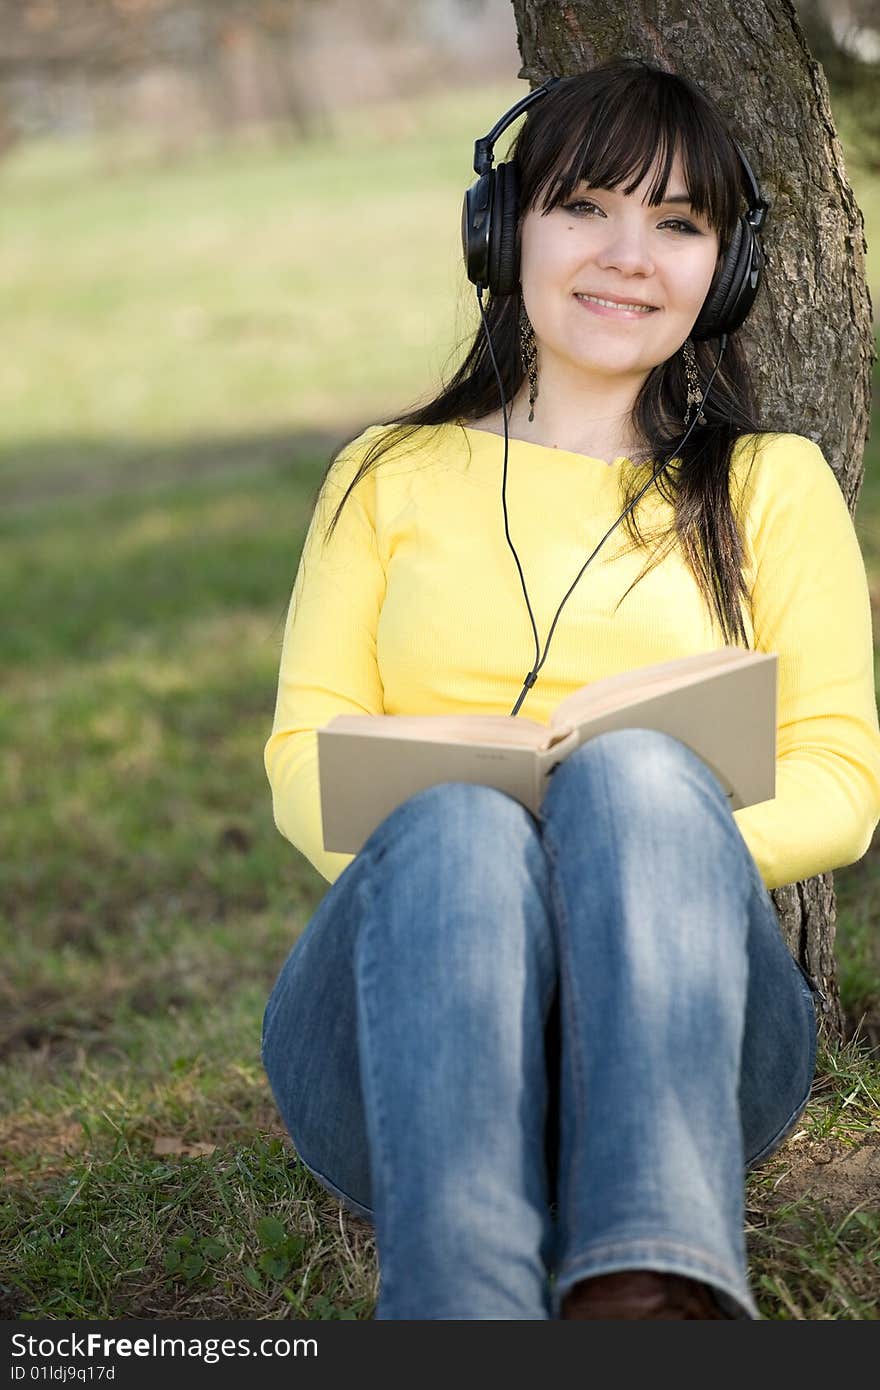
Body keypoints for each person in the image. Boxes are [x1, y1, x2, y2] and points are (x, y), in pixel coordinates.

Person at [260, 59, 880, 1319]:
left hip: (690, 1043)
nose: (628, 256)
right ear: (505, 230)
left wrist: (627, 855)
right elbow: (302, 760)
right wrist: (489, 881)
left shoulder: (771, 482)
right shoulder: (383, 474)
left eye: (678, 223)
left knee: (639, 775)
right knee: (451, 823)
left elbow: (843, 780)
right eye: (586, 205)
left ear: (726, 269)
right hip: (401, 1043)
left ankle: (651, 1284)